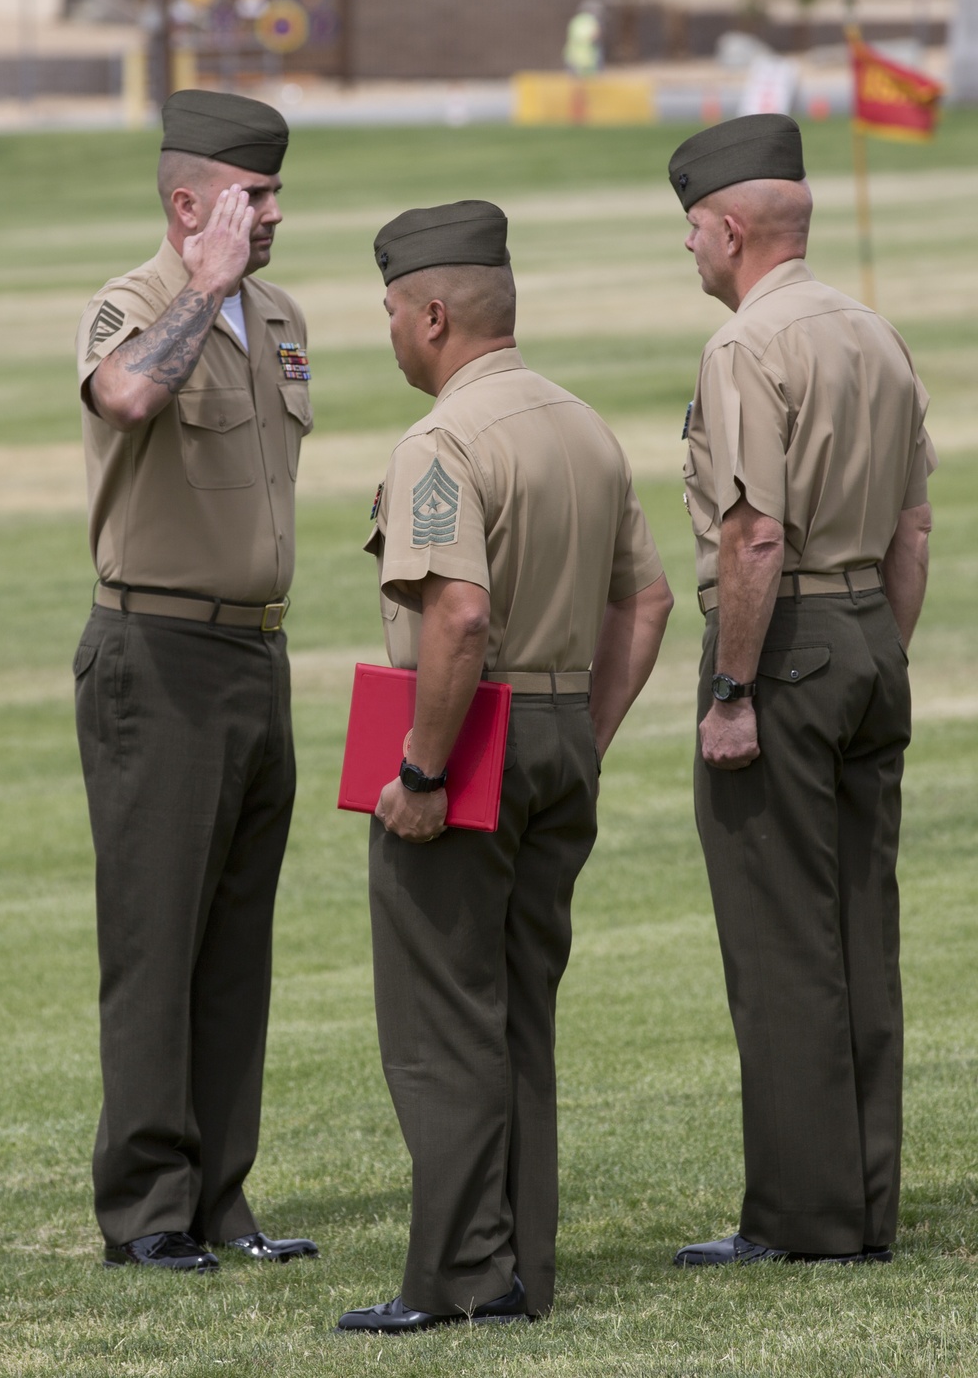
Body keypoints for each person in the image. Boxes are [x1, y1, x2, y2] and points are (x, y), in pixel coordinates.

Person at [335, 200, 673, 1333]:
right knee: (521, 1011)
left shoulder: (446, 439)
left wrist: (424, 773)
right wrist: (583, 733)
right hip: (560, 731)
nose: (385, 331)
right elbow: (649, 598)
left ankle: (458, 1278)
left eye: (389, 311)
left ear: (432, 314)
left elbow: (461, 617)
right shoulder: (580, 424)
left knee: (442, 1021)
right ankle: (521, 1262)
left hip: (469, 741)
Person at [667, 114, 935, 1266]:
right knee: (858, 938)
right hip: (871, 632)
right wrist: (880, 647)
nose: (686, 251)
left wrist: (734, 688)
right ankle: (864, 1200)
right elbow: (915, 527)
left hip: (786, 644)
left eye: (688, 232)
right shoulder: (873, 330)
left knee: (781, 948)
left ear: (728, 228)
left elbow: (755, 534)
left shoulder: (746, 346)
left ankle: (800, 1218)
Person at [73, 90, 319, 1273]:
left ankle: (224, 1198)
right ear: (190, 204)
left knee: (236, 943)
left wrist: (234, 293)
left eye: (272, 193)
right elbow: (127, 397)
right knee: (156, 939)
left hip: (256, 654)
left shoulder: (277, 316)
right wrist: (203, 287)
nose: (272, 213)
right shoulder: (138, 308)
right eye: (252, 195)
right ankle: (148, 1211)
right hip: (157, 658)